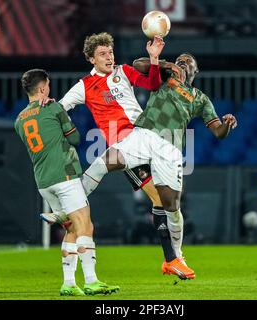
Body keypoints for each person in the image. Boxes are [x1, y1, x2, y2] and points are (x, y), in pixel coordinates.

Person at [80, 52, 237, 280]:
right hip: (144, 134)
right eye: (180, 60)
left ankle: (175, 259)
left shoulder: (200, 99)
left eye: (187, 62)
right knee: (103, 162)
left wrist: (227, 125)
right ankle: (71, 204)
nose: (182, 63)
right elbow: (138, 64)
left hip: (170, 147)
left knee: (171, 206)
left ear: (196, 70)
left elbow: (218, 132)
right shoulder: (165, 77)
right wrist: (165, 63)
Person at [55, 32, 194, 278]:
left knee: (171, 205)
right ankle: (172, 259)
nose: (109, 58)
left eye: (110, 52)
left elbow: (151, 84)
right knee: (159, 200)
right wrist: (49, 111)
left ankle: (174, 257)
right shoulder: (84, 86)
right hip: (125, 146)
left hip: (148, 138)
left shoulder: (123, 72)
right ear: (91, 59)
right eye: (102, 54)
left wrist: (154, 58)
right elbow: (61, 108)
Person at [14, 69, 119, 296]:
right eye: (48, 86)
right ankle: (91, 280)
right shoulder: (54, 108)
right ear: (43, 89)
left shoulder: (19, 120)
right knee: (85, 226)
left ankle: (69, 283)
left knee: (70, 228)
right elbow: (75, 138)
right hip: (65, 175)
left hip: (43, 181)